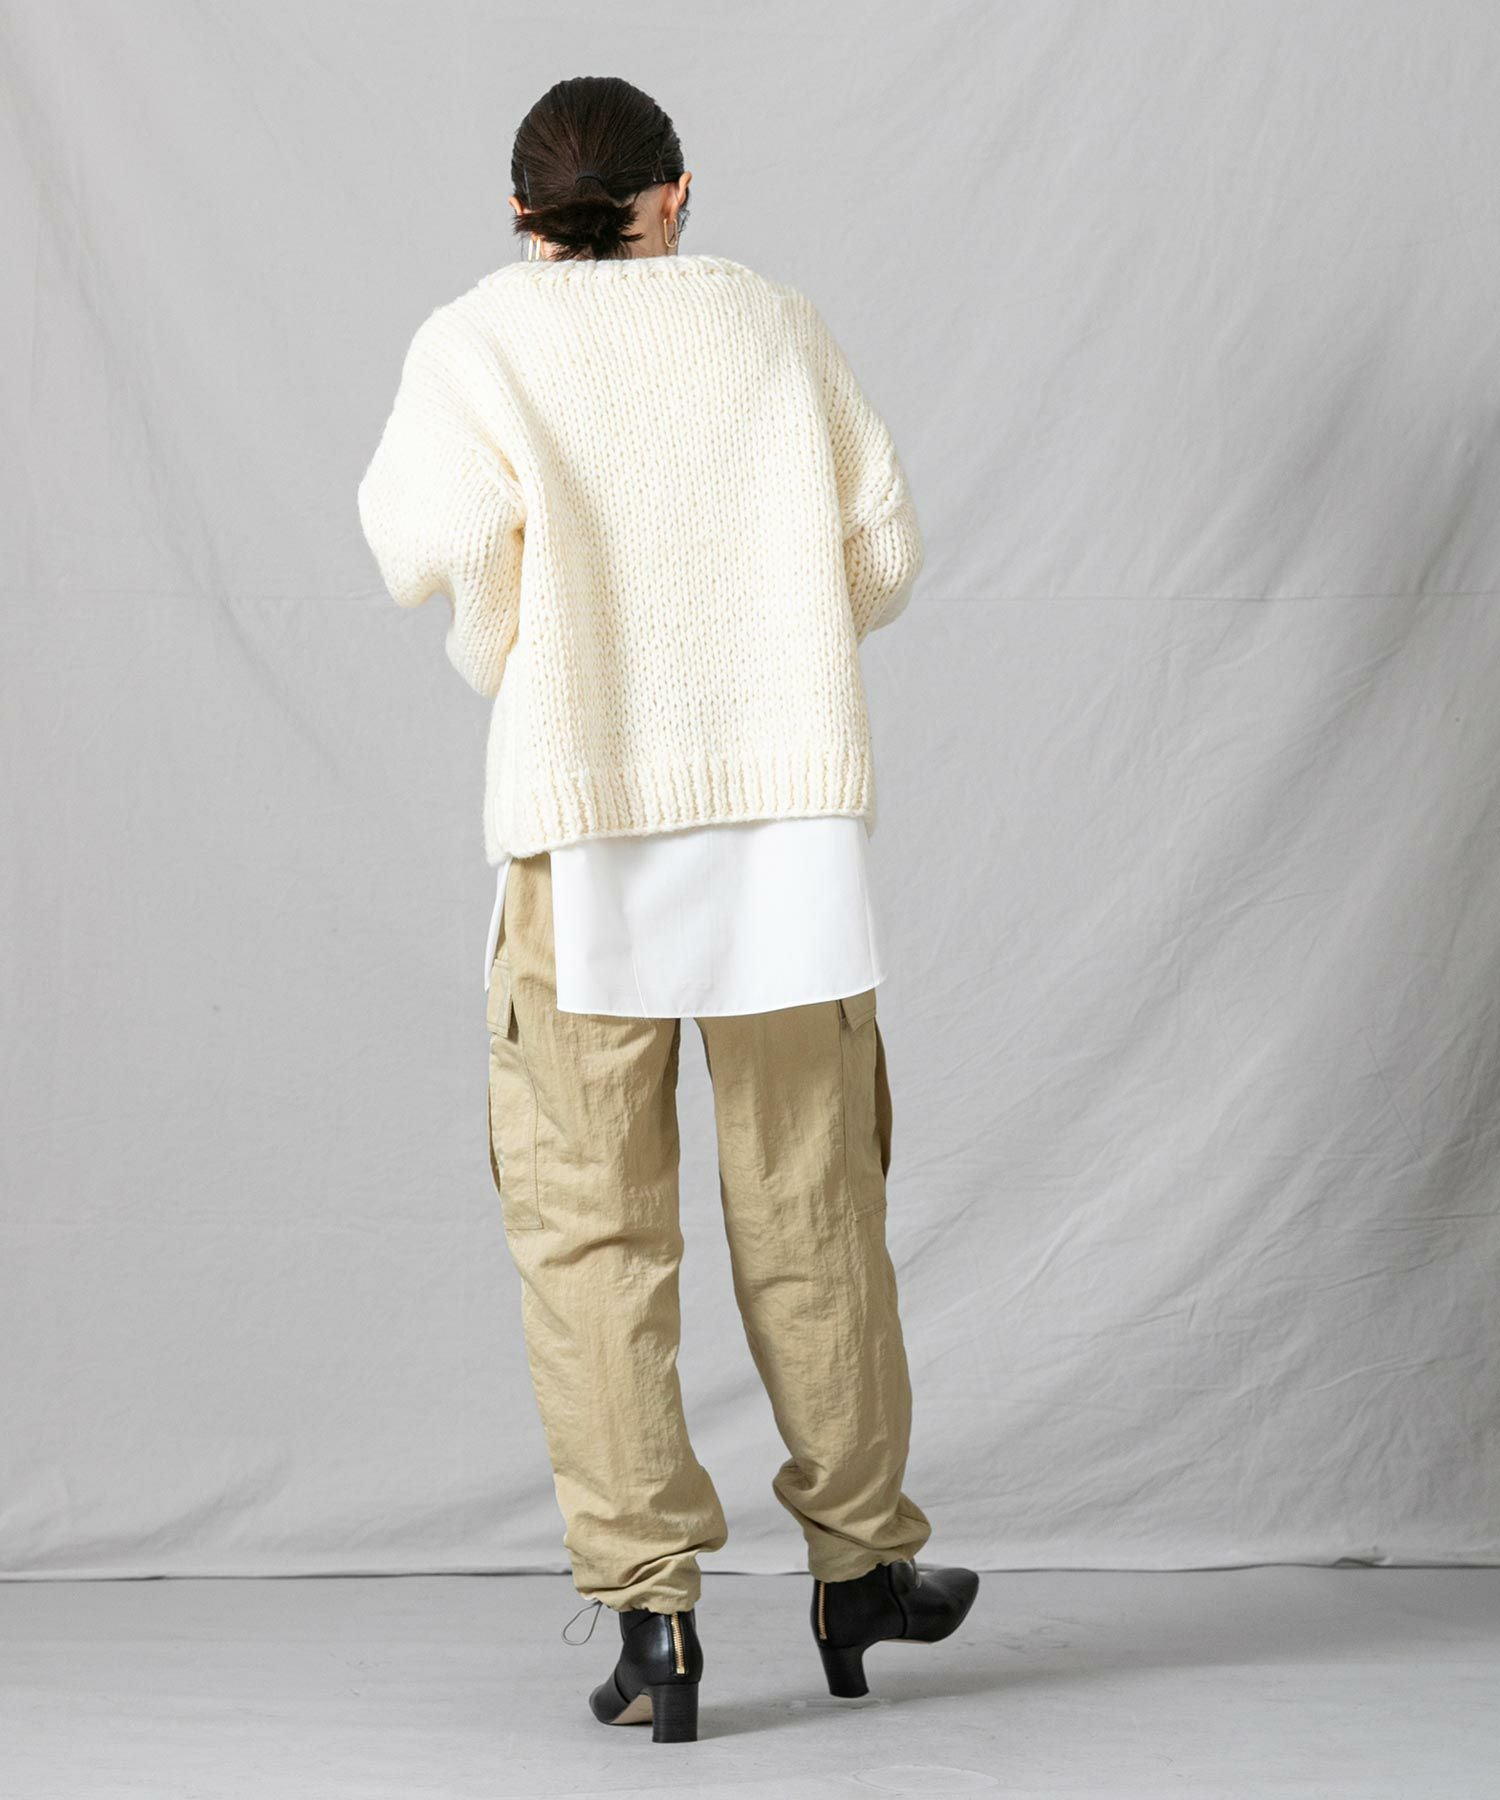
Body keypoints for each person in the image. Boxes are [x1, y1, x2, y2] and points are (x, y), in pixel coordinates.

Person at [357, 74, 978, 1744]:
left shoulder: (477, 341)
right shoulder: (773, 324)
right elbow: (885, 552)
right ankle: (862, 1570)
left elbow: (425, 543)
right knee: (815, 1207)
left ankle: (655, 1624)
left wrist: (521, 639)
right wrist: (766, 640)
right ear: (675, 198)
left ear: (521, 216)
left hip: (584, 826)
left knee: (592, 1231)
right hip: (781, 821)